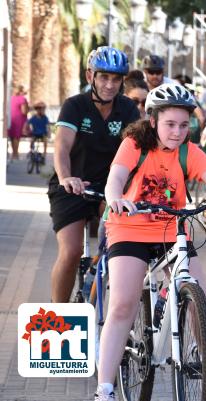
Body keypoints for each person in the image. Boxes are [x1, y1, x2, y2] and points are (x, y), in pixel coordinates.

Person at [95, 83, 206, 401]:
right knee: (123, 303)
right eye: (170, 124)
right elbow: (115, 178)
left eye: (184, 125)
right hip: (130, 228)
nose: (178, 132)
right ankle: (105, 388)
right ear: (153, 121)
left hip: (171, 229)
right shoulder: (134, 144)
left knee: (204, 301)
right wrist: (115, 199)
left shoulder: (188, 152)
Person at [48, 46, 139, 303]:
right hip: (71, 186)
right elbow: (62, 147)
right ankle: (59, 314)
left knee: (121, 246)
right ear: (90, 76)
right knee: (71, 251)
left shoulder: (128, 109)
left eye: (116, 79)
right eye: (103, 77)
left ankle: (100, 301)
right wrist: (66, 177)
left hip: (110, 188)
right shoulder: (75, 106)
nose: (110, 84)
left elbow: (139, 149)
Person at [8, 85, 29, 160]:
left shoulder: (11, 98)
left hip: (11, 118)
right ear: (21, 91)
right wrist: (27, 110)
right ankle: (15, 154)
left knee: (12, 136)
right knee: (17, 137)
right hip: (19, 118)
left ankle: (14, 153)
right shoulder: (22, 99)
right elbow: (23, 111)